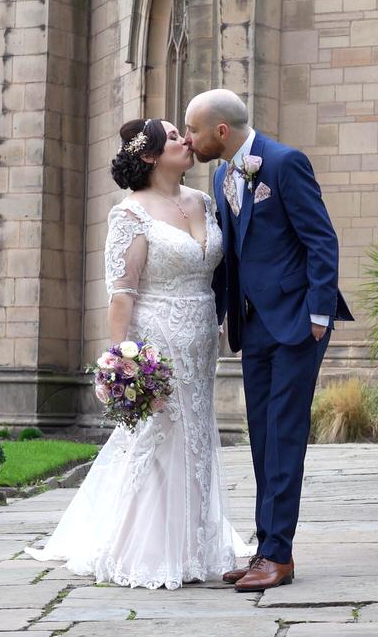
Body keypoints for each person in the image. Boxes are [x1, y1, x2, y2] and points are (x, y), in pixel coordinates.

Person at [25, 118, 248, 588]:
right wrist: (122, 362)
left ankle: (196, 542)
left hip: (202, 335)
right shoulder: (130, 215)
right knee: (160, 435)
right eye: (173, 137)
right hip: (158, 337)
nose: (186, 140)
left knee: (197, 437)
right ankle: (148, 548)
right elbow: (122, 293)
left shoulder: (205, 201)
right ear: (148, 156)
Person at [185, 89, 352, 592]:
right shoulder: (221, 174)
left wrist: (318, 314)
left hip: (298, 323)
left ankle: (279, 555)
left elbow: (320, 238)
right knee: (262, 437)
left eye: (193, 130)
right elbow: (234, 256)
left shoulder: (283, 163)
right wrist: (220, 315)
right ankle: (266, 548)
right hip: (253, 324)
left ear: (220, 131)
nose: (188, 140)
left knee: (283, 435)